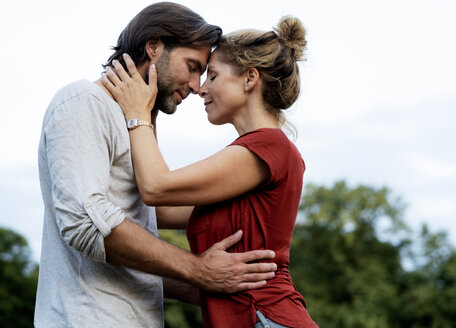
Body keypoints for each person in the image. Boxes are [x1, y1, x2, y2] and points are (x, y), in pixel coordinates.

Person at [35, 2, 277, 327]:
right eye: (191, 66)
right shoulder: (83, 102)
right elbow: (86, 223)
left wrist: (219, 280)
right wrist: (198, 269)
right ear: (154, 46)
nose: (196, 85)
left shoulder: (136, 124)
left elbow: (141, 227)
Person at [103, 16, 318, 328]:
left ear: (249, 78)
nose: (201, 89)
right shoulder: (252, 158)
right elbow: (157, 210)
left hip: (264, 317)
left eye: (213, 76)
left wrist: (138, 114)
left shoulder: (268, 146)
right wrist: (151, 104)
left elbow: (155, 187)